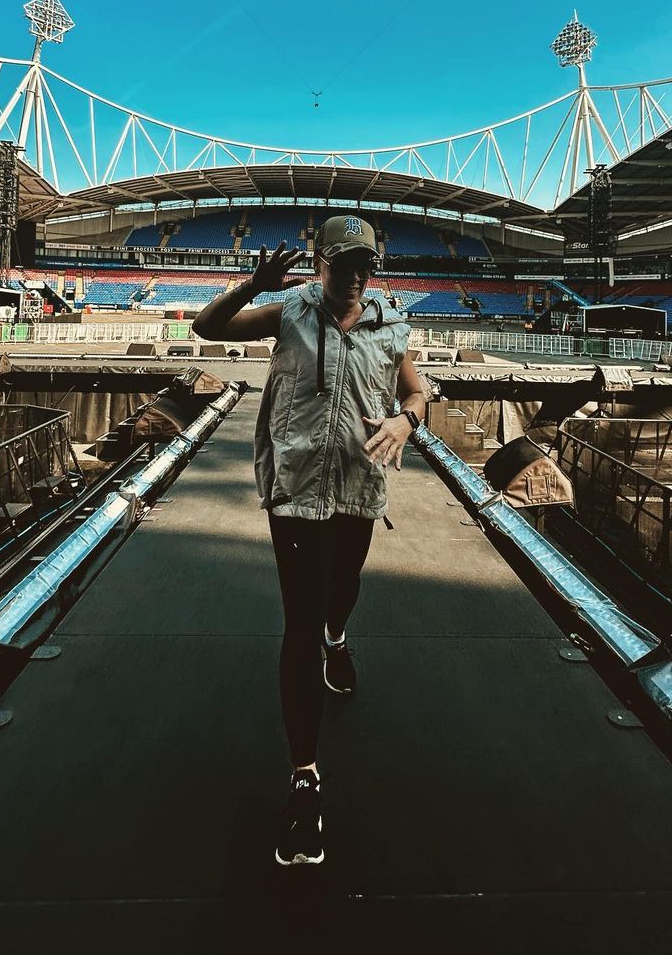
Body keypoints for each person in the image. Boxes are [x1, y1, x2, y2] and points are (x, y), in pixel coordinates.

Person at [192, 216, 426, 867]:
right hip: (295, 485)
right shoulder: (288, 312)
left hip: (360, 483)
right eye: (340, 262)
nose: (352, 274)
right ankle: (305, 778)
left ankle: (338, 636)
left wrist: (407, 421)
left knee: (340, 593)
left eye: (363, 263)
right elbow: (207, 329)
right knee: (299, 618)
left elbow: (417, 388)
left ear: (373, 268)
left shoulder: (392, 324)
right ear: (319, 262)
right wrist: (248, 285)